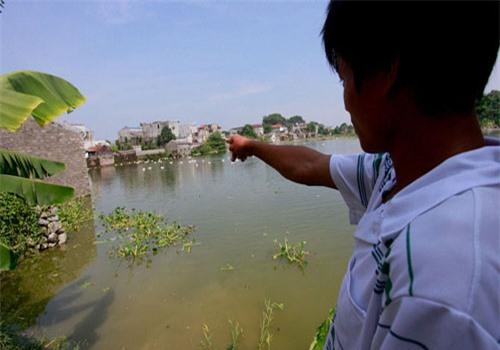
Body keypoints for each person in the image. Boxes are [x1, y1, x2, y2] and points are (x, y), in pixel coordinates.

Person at [228, 1, 499, 349]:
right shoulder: (397, 172)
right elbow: (312, 165)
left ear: (385, 73)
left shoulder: (440, 289)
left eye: (344, 78)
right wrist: (252, 145)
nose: (345, 103)